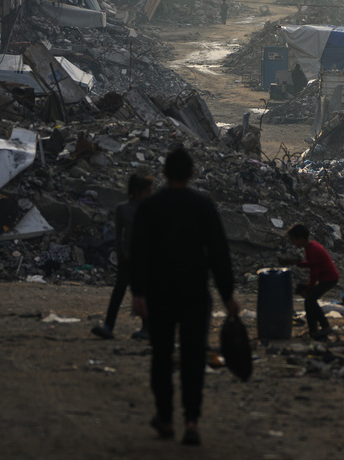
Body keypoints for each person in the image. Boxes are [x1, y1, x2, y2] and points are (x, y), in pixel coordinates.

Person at [131, 146, 239, 447]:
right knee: (193, 358)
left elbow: (138, 253)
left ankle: (165, 418)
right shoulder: (202, 206)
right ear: (192, 174)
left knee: (162, 356)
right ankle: (191, 421)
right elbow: (218, 253)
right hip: (194, 292)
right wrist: (227, 294)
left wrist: (138, 293)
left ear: (164, 174)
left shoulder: (150, 207)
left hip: (159, 293)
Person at [92, 172, 154, 340]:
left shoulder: (149, 209)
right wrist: (121, 255)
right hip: (127, 259)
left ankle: (146, 328)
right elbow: (118, 236)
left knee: (141, 293)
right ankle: (108, 326)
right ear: (137, 191)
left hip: (144, 258)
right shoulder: (123, 209)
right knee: (119, 292)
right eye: (146, 191)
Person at [286, 224, 339, 340]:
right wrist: (298, 263)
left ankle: (325, 326)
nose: (293, 242)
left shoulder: (312, 250)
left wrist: (309, 290)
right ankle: (313, 330)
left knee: (310, 300)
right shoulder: (311, 247)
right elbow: (313, 264)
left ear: (300, 238)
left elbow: (314, 274)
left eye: (293, 239)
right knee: (309, 301)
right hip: (328, 277)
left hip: (329, 278)